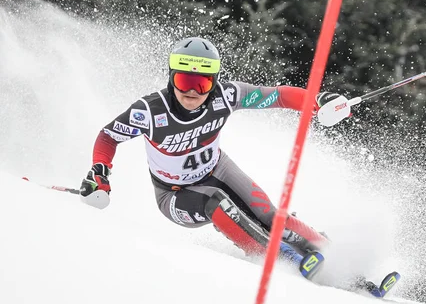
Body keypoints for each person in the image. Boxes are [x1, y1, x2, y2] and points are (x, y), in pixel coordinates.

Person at [79, 37, 339, 280]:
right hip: (174, 194)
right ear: (171, 78)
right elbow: (108, 136)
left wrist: (317, 101)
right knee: (218, 204)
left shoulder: (225, 96)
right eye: (183, 82)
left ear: (214, 81)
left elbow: (278, 96)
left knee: (269, 215)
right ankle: (286, 260)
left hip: (217, 170)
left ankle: (329, 250)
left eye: (202, 84)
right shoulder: (149, 110)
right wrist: (100, 171)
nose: (192, 92)